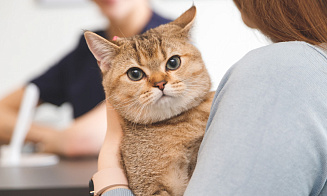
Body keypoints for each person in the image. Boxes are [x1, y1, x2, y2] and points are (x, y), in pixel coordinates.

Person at [94, 0, 327, 195]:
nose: (159, 82)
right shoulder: (311, 66)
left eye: (173, 63)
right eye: (136, 74)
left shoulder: (279, 68)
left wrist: (109, 175)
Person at [0, 0, 171, 157]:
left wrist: (58, 140)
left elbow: (81, 141)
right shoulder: (88, 48)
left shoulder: (170, 40)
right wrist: (53, 138)